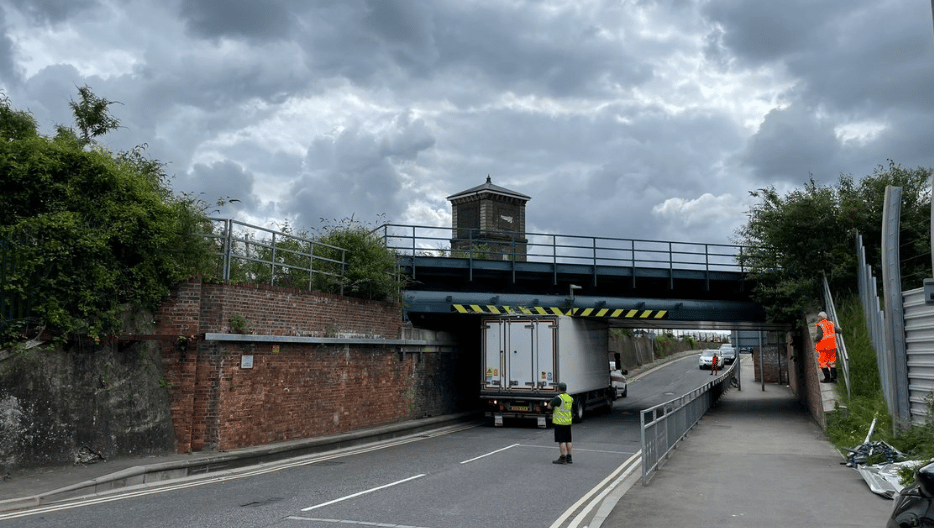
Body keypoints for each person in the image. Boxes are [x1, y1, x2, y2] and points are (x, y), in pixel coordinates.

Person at [550, 382, 574, 464]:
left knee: (561, 441)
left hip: (559, 423)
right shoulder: (570, 398)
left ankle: (563, 457)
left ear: (559, 389)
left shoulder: (558, 398)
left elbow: (550, 406)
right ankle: (569, 457)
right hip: (568, 422)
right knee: (568, 440)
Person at [815, 310, 843, 383]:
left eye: (819, 316)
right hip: (832, 346)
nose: (818, 318)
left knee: (823, 363)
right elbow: (838, 330)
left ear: (822, 317)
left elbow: (819, 336)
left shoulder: (820, 325)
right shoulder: (830, 323)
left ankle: (827, 378)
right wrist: (840, 330)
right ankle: (834, 378)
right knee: (832, 362)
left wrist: (814, 339)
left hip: (824, 348)